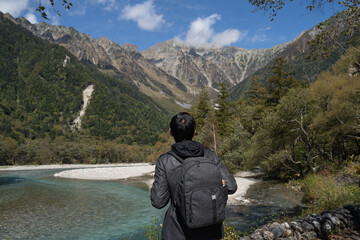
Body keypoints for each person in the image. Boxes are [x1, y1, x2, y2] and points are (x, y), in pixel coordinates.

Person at [151, 112, 238, 240]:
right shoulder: (210, 156)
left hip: (177, 233)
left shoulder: (165, 161)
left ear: (171, 132)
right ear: (194, 132)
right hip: (212, 231)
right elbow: (231, 187)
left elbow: (158, 201)